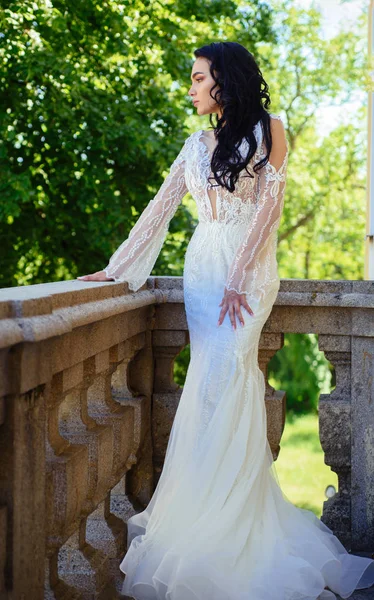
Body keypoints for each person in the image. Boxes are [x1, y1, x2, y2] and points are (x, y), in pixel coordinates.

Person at [77, 42, 374, 600]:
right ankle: (200, 520)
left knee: (232, 377)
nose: (190, 89)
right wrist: (116, 269)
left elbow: (269, 210)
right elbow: (159, 210)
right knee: (207, 387)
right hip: (202, 271)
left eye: (197, 78)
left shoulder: (271, 130)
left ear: (224, 81)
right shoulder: (194, 144)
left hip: (248, 275)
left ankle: (231, 522)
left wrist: (240, 276)